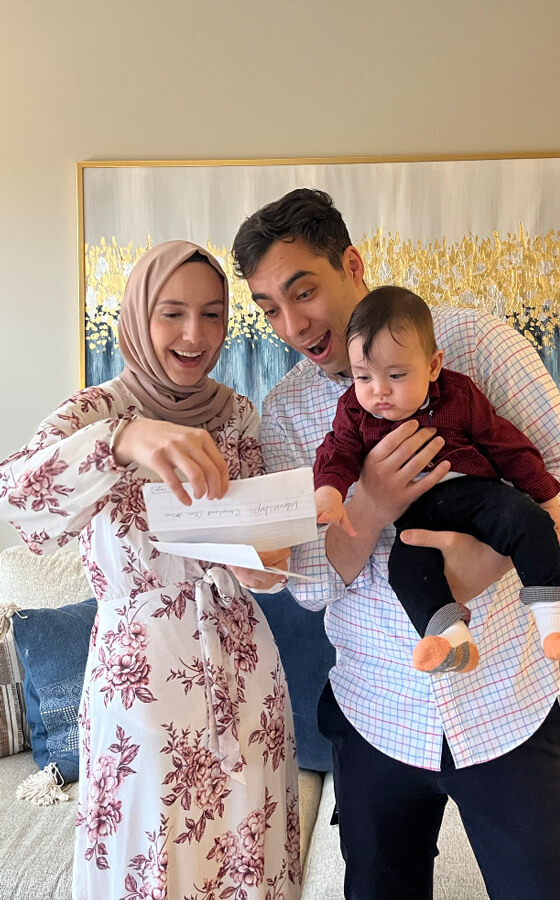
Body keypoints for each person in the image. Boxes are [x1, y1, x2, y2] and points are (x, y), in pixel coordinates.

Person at [232, 189, 560, 900]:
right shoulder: (288, 412)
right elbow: (310, 587)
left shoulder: (475, 345)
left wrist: (488, 561)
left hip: (506, 707)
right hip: (375, 718)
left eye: (303, 291)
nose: (292, 325)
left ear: (352, 265)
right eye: (269, 307)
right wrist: (369, 506)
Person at [0, 241, 301, 900]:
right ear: (138, 315)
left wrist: (266, 565)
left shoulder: (238, 415)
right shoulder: (96, 412)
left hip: (245, 677)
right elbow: (17, 497)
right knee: (150, 864)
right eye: (173, 313)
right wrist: (122, 440)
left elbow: (261, 538)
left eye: (213, 314)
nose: (196, 334)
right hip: (140, 683)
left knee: (248, 864)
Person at [314, 284, 560, 675]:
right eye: (363, 377)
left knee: (527, 518)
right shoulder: (354, 411)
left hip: (478, 496)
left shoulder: (458, 394)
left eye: (396, 375)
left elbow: (506, 445)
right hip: (417, 518)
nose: (379, 391)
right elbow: (337, 452)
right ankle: (451, 640)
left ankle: (554, 620)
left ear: (433, 366)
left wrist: (549, 502)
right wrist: (329, 493)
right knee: (403, 568)